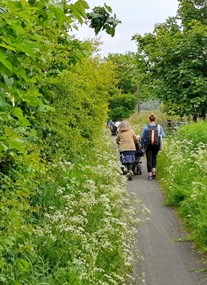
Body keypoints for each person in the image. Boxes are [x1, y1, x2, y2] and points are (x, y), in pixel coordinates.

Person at [141, 114, 165, 181]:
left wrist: (141, 144)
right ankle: (154, 171)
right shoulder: (159, 127)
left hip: (148, 145)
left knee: (149, 159)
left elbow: (143, 137)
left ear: (149, 119)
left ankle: (150, 175)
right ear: (155, 119)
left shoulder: (146, 127)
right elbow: (163, 135)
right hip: (156, 145)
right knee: (154, 157)